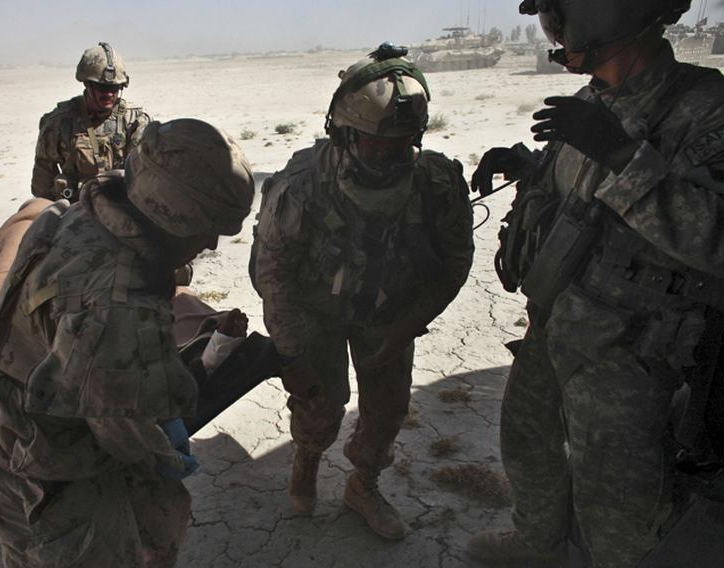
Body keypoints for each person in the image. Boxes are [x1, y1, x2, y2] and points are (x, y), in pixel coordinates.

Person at [467, 1, 724, 566]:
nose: (554, 32)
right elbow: (580, 196)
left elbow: (715, 238)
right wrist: (527, 166)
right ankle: (538, 541)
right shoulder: (592, 102)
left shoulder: (706, 109)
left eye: (560, 17)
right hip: (558, 319)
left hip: (630, 350)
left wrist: (621, 156)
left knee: (619, 507)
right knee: (528, 442)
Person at [0, 119, 254, 567]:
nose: (209, 242)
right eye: (205, 227)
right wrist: (166, 456)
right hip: (37, 463)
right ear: (170, 214)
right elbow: (124, 433)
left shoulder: (85, 210)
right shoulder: (117, 307)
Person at [251, 43, 474, 540]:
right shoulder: (303, 183)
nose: (390, 154)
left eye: (403, 142)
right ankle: (307, 458)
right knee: (320, 405)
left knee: (388, 409)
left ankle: (363, 484)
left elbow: (456, 261)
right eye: (376, 141)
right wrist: (293, 353)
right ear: (344, 133)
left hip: (390, 313)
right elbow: (274, 273)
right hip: (316, 314)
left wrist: (408, 322)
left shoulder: (433, 182)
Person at [31, 42, 150, 202]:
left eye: (115, 88)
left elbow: (147, 174)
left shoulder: (133, 121)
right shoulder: (59, 122)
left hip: (121, 206)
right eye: (101, 87)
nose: (109, 94)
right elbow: (42, 183)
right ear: (87, 84)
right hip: (73, 209)